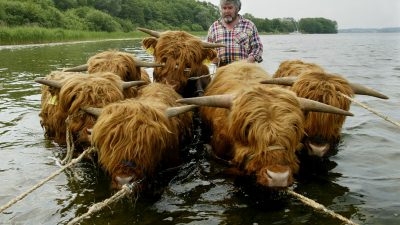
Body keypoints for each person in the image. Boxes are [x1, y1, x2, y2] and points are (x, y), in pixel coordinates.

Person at [207, 0, 263, 67]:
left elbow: (258, 48)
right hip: (221, 71)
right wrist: (213, 59)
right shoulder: (213, 27)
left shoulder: (249, 25)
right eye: (224, 8)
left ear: (237, 9)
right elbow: (208, 50)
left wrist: (249, 61)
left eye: (230, 8)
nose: (227, 11)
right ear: (220, 10)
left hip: (244, 69)